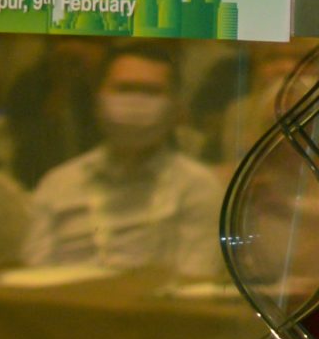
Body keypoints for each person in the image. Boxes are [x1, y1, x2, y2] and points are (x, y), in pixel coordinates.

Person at [22, 41, 224, 280]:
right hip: (60, 301)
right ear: (98, 100)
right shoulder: (58, 182)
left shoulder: (198, 186)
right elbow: (33, 275)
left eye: (151, 92)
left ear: (175, 107)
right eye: (124, 89)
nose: (135, 102)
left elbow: (194, 277)